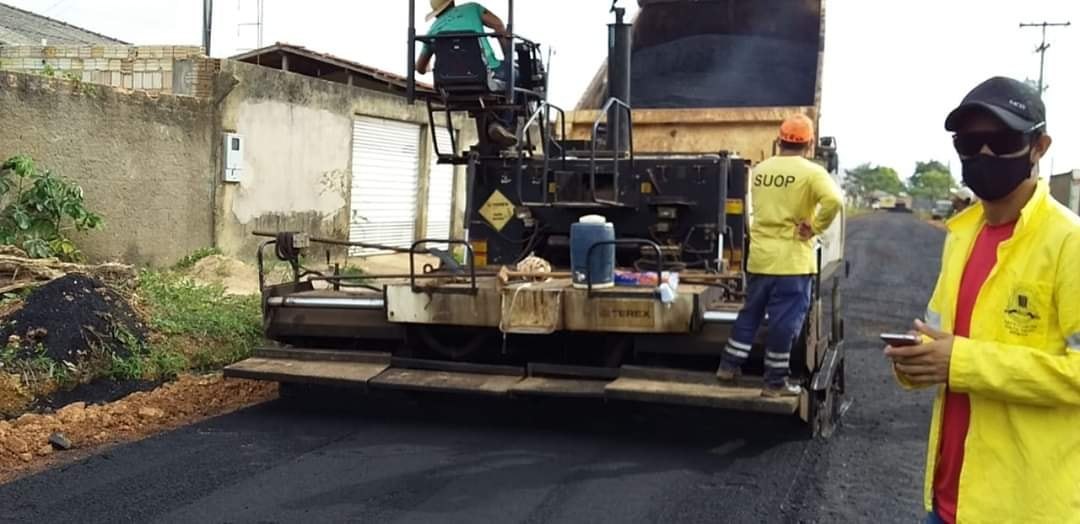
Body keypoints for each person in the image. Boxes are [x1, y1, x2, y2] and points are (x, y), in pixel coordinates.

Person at [885, 76, 1080, 523]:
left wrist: (961, 362)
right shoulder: (961, 235)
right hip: (948, 500)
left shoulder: (1069, 243)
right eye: (970, 143)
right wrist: (916, 362)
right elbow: (945, 344)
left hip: (1023, 509)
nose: (985, 154)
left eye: (1003, 140)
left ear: (1039, 147)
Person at [716, 114, 843, 397]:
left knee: (750, 313)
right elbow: (835, 200)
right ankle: (774, 383)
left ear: (779, 140)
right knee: (784, 323)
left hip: (760, 258)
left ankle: (728, 365)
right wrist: (815, 227)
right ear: (809, 144)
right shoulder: (812, 172)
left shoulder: (761, 170)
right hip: (792, 261)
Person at [415, 0, 518, 146]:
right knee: (515, 76)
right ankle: (504, 125)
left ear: (436, 13)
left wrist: (428, 68)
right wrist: (508, 56)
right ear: (451, 3)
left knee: (489, 85)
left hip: (449, 84)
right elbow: (498, 25)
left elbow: (420, 67)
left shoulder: (433, 30)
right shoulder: (472, 9)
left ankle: (490, 133)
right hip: (485, 73)